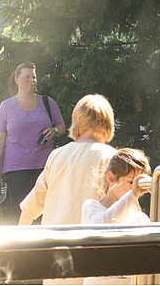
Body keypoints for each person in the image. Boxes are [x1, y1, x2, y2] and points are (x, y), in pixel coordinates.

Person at [19, 94, 117, 227]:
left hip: (52, 240)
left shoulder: (56, 155)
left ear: (76, 124)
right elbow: (125, 203)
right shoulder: (110, 157)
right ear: (108, 124)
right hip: (91, 240)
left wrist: (21, 242)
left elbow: (30, 208)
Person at [0, 62, 66, 224]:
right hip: (16, 168)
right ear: (17, 80)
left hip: (45, 166)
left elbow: (62, 127)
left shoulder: (48, 102)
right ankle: (17, 245)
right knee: (19, 210)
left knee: (46, 209)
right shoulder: (6, 106)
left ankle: (44, 245)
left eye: (33, 77)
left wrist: (54, 131)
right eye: (27, 77)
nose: (31, 80)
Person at [81, 148, 152, 285]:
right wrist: (133, 195)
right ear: (111, 178)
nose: (136, 189)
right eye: (131, 183)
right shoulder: (91, 207)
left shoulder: (137, 216)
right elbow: (103, 226)